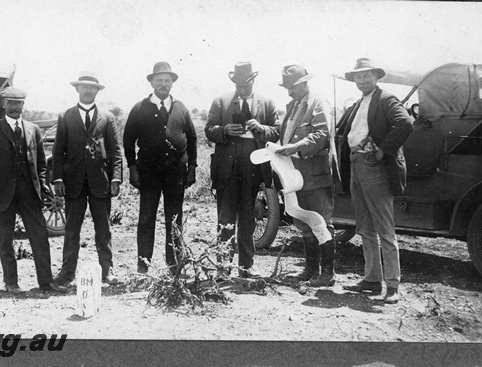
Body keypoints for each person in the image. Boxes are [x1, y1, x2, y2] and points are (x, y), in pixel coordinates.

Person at [336, 58, 414, 304]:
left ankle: (392, 286)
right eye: (358, 77)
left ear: (376, 77)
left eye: (366, 75)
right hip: (358, 166)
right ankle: (371, 279)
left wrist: (382, 149)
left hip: (375, 167)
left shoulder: (386, 98)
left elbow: (406, 123)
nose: (362, 80)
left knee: (384, 228)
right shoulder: (360, 102)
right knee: (365, 227)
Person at [0, 87, 67, 294]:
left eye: (19, 104)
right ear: (3, 105)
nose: (15, 107)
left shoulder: (33, 129)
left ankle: (46, 282)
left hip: (29, 193)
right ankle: (11, 283)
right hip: (3, 194)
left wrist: (42, 184)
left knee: (40, 238)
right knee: (5, 240)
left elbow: (42, 163)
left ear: (23, 105)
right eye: (11, 103)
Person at [205, 62, 278, 278]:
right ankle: (223, 268)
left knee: (247, 218)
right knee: (225, 217)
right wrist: (224, 130)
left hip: (253, 167)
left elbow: (276, 131)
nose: (241, 89)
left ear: (253, 81)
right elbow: (209, 130)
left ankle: (246, 267)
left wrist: (261, 128)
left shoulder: (266, 103)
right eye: (238, 85)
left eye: (245, 85)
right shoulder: (221, 101)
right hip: (227, 168)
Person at [123, 61, 197, 275]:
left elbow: (192, 139)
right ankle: (143, 266)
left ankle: (175, 266)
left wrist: (191, 167)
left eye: (167, 80)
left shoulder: (181, 108)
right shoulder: (139, 108)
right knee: (146, 218)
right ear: (152, 82)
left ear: (172, 83)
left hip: (175, 172)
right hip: (149, 172)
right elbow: (128, 141)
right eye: (159, 80)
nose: (163, 84)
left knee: (174, 218)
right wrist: (133, 168)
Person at [51, 72, 123, 286]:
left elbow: (115, 151)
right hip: (73, 183)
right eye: (84, 87)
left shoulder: (107, 117)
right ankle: (67, 273)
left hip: (100, 183)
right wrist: (58, 179)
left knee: (103, 228)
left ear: (97, 91)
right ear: (77, 89)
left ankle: (107, 271)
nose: (88, 90)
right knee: (72, 229)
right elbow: (58, 151)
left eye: (92, 88)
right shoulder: (65, 116)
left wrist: (116, 178)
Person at [273, 64, 337, 286]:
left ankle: (327, 274)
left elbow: (322, 133)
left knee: (321, 221)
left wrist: (296, 147)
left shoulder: (318, 103)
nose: (288, 92)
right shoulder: (293, 106)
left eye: (291, 87)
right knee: (303, 223)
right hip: (294, 176)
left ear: (302, 84)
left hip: (315, 175)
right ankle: (310, 270)